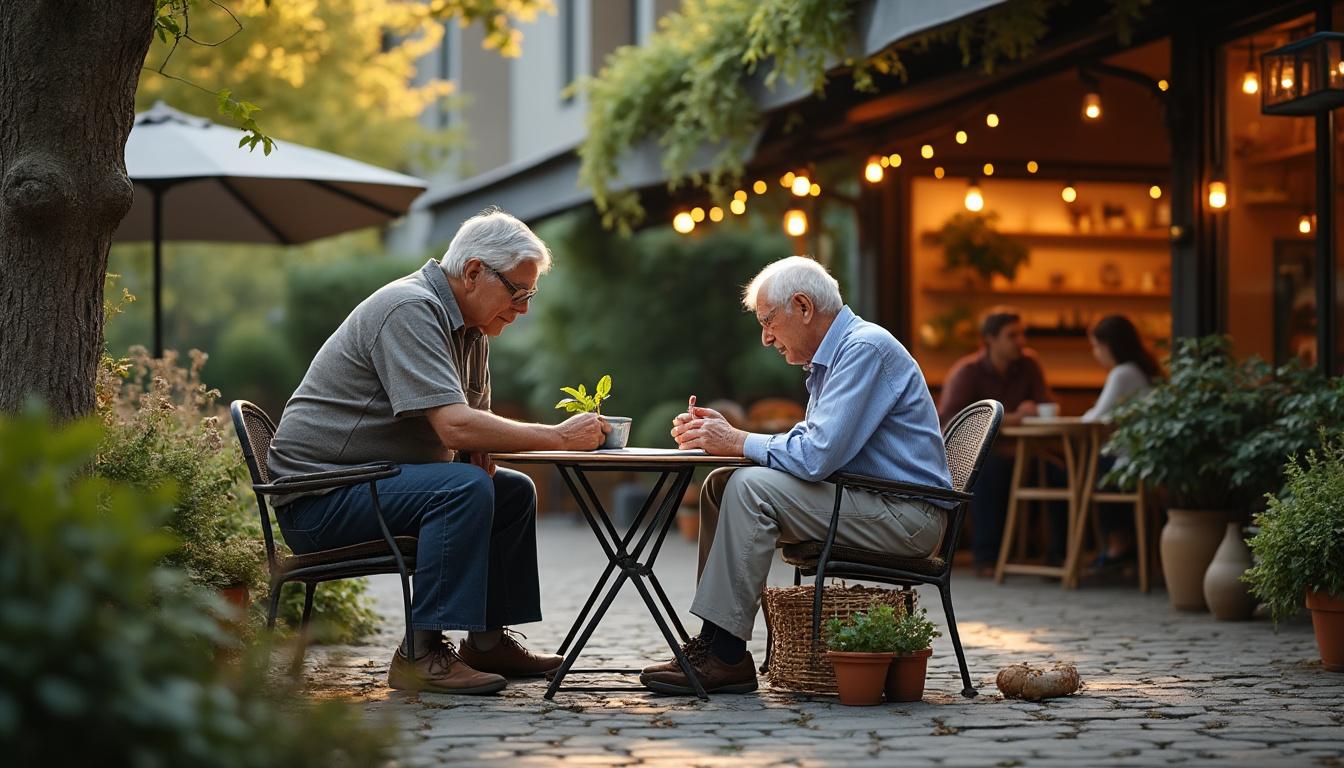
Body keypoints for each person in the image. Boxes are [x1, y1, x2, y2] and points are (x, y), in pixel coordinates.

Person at [267, 208, 609, 695]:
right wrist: (556, 437)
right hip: (321, 499)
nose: (524, 308)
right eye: (518, 292)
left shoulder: (472, 331)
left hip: (371, 482)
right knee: (462, 489)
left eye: (529, 294)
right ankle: (420, 653)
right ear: (473, 272)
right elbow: (454, 427)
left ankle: (487, 643)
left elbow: (476, 435)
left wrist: (482, 449)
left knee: (510, 489)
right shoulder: (410, 308)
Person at [638, 256, 953, 696]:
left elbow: (816, 457)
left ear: (803, 307)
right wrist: (728, 438)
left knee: (748, 488)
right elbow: (813, 446)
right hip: (872, 502)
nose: (766, 338)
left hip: (907, 518)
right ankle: (713, 642)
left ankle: (726, 656)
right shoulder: (835, 358)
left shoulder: (863, 349)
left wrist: (736, 439)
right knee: (722, 483)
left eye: (769, 321)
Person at [937, 307, 1056, 577]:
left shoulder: (1029, 364)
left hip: (1023, 451)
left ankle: (1057, 557)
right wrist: (1009, 419)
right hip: (976, 455)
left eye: (1022, 334)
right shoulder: (967, 372)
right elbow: (951, 421)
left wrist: (1035, 409)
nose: (1020, 341)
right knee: (989, 472)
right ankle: (986, 557)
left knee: (1060, 474)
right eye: (1012, 335)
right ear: (990, 339)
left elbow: (1047, 403)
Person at [1082, 314, 1160, 571]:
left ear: (1107, 345)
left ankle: (1118, 545)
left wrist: (1085, 414)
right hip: (1147, 460)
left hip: (1133, 463)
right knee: (1098, 464)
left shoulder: (1123, 372)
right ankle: (1122, 544)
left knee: (1092, 470)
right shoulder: (1142, 370)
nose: (1095, 353)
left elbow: (1097, 418)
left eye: (1095, 346)